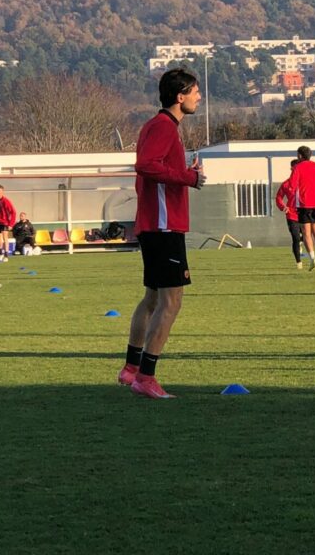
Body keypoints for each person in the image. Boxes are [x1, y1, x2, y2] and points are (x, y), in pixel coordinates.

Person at [117, 68, 206, 399]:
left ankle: (130, 369)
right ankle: (146, 376)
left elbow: (154, 165)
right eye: (195, 92)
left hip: (156, 225)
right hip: (162, 226)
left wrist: (185, 174)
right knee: (172, 301)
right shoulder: (163, 127)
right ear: (180, 96)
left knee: (153, 298)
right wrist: (187, 178)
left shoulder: (162, 126)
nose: (199, 97)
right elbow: (146, 164)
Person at [274, 159, 304, 269]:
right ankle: (299, 263)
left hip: (304, 213)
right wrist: (283, 207)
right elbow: (279, 197)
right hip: (292, 215)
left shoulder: (304, 182)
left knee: (306, 236)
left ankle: (303, 245)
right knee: (295, 237)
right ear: (292, 168)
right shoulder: (286, 184)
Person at [0, 185, 17, 262]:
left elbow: (13, 212)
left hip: (4, 222)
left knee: (5, 237)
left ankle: (6, 255)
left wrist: (11, 224)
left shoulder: (6, 201)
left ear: (2, 192)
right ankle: (0, 253)